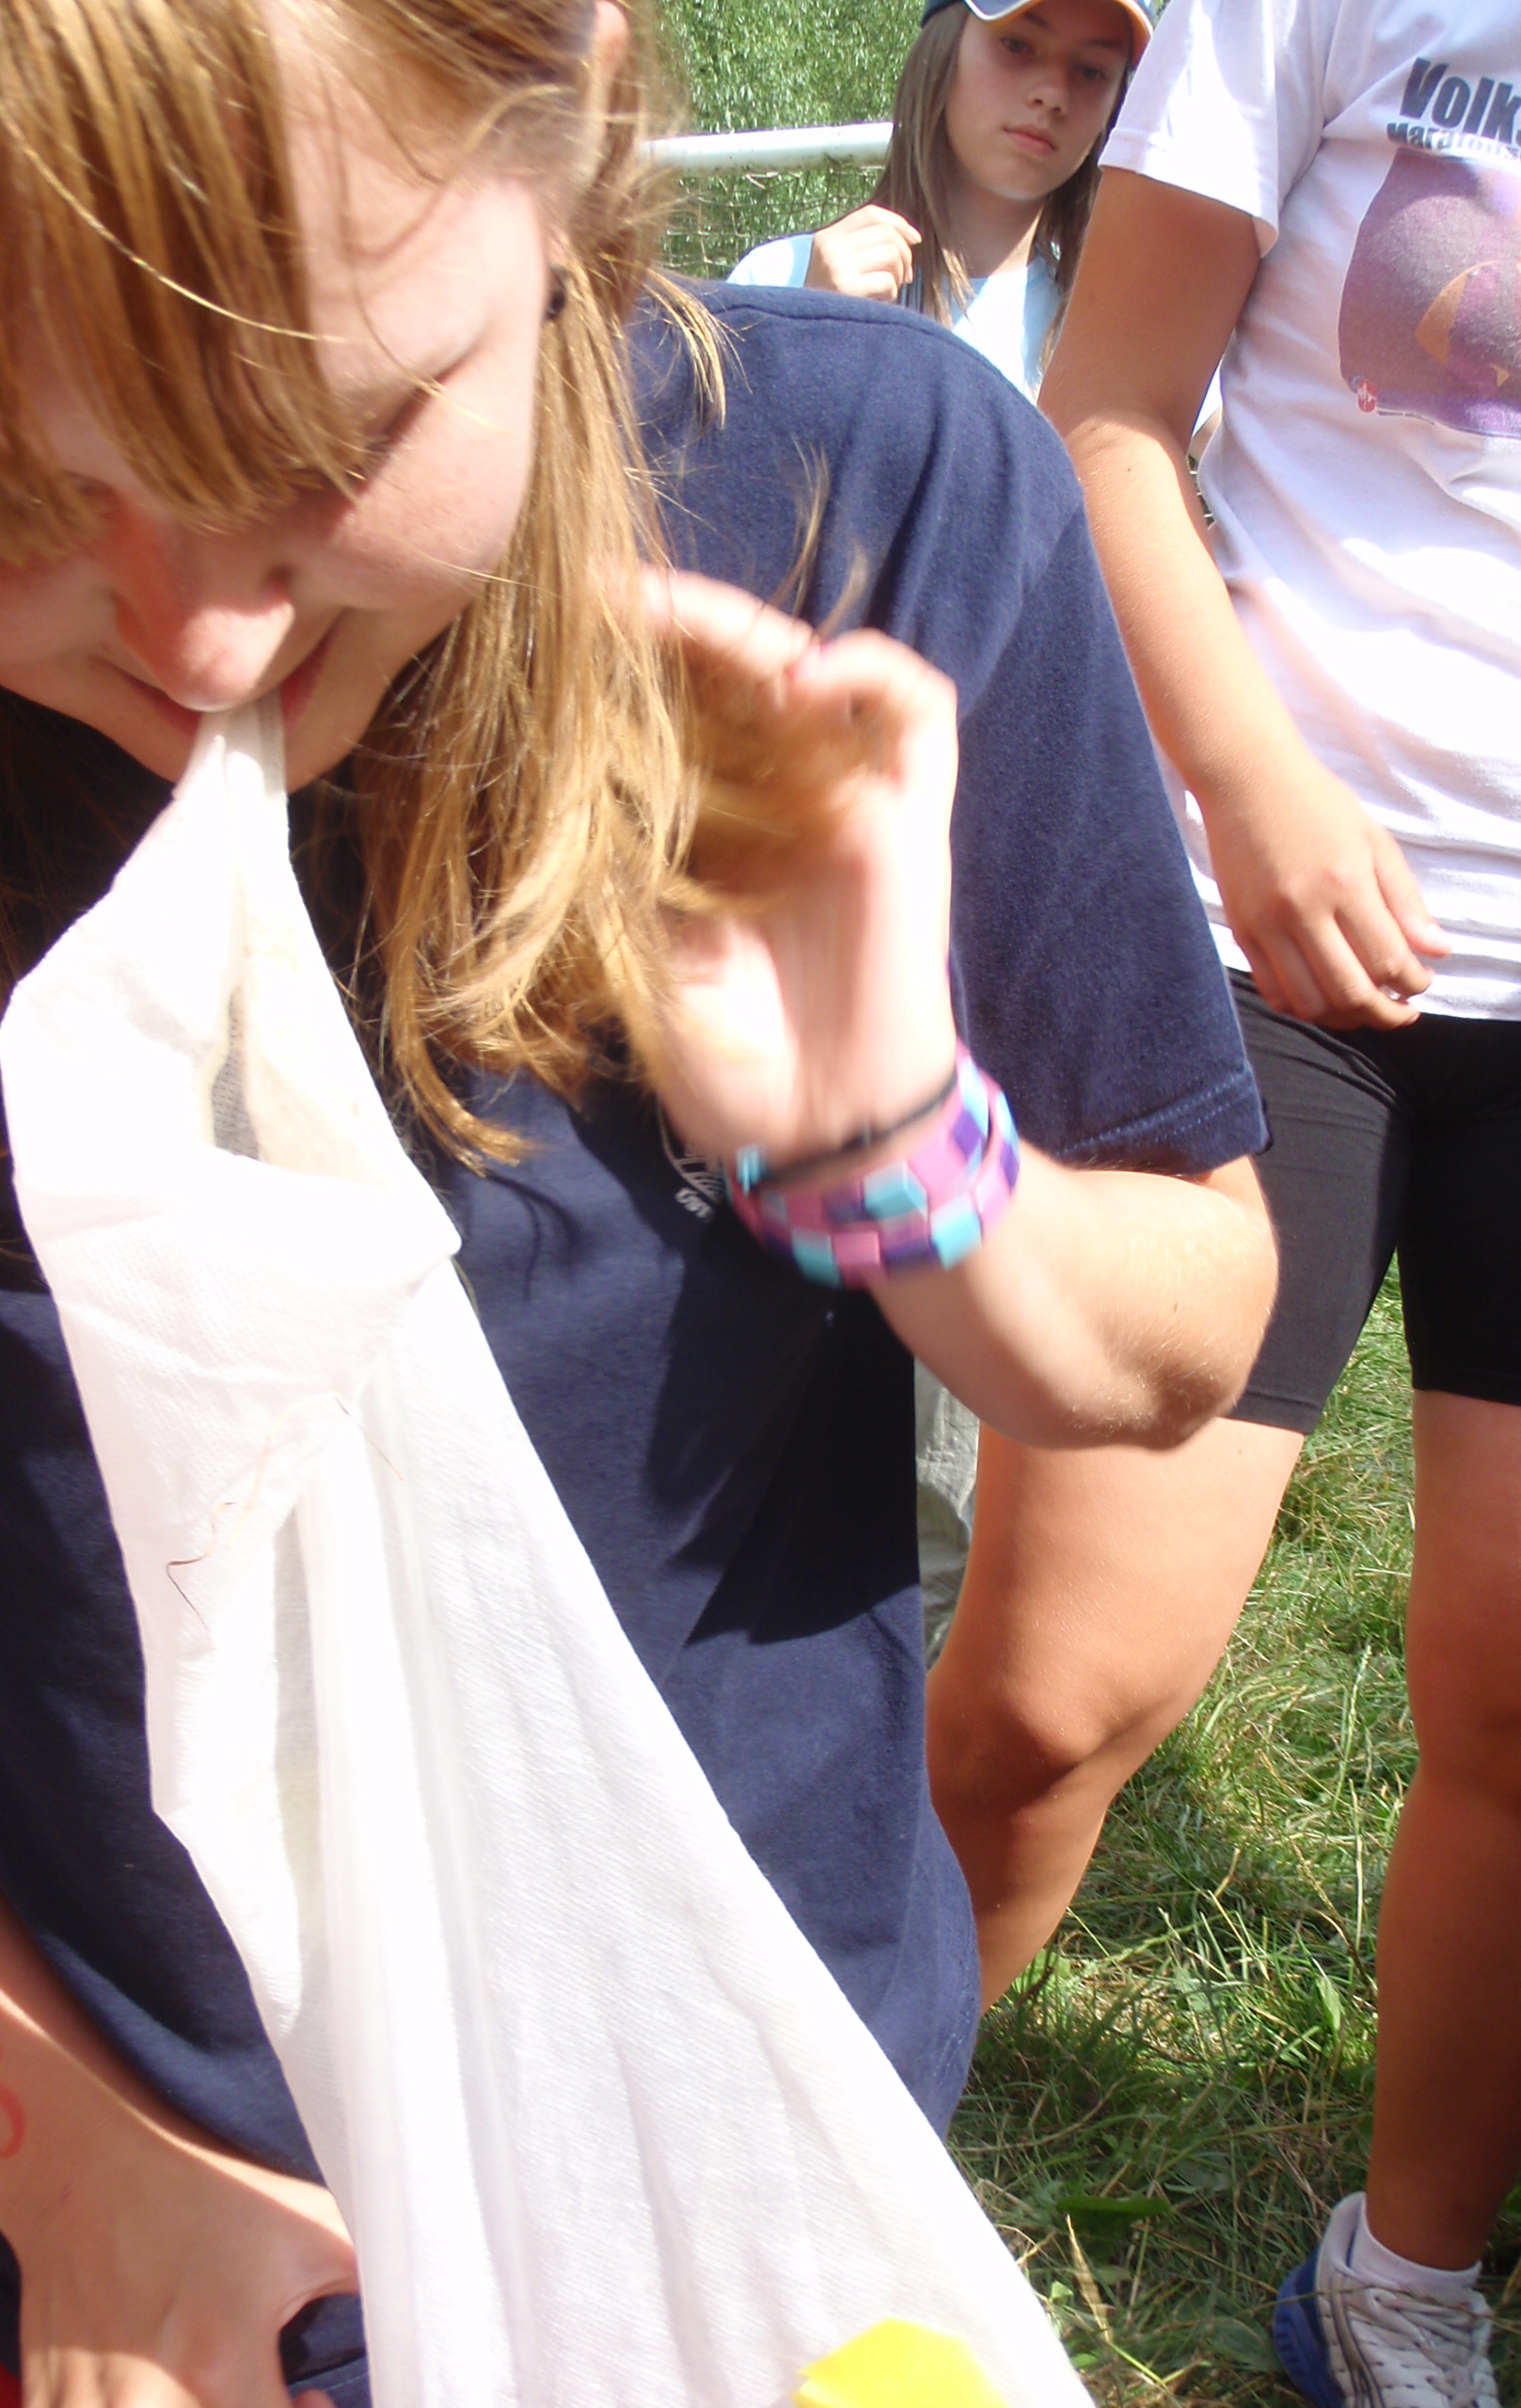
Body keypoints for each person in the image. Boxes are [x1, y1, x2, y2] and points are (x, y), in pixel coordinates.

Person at [0, 0, 1276, 2398]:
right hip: (94, 2273)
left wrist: (896, 1151)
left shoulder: (860, 498)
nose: (200, 636)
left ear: (576, 121)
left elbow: (1186, 1324)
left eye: (328, 436)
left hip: (752, 2226)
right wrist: (67, 2159)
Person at [956, 0, 1520, 2401]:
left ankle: (1402, 2282)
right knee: (1056, 1696)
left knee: (1518, 1694)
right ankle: (784, 2186)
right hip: (1255, 930)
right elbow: (1107, 409)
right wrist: (1247, 782)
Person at [727, 0, 1149, 399]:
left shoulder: (1121, 335)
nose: (1054, 94)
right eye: (1017, 45)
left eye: (1091, 71)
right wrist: (804, 339)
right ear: (943, 46)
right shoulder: (778, 281)